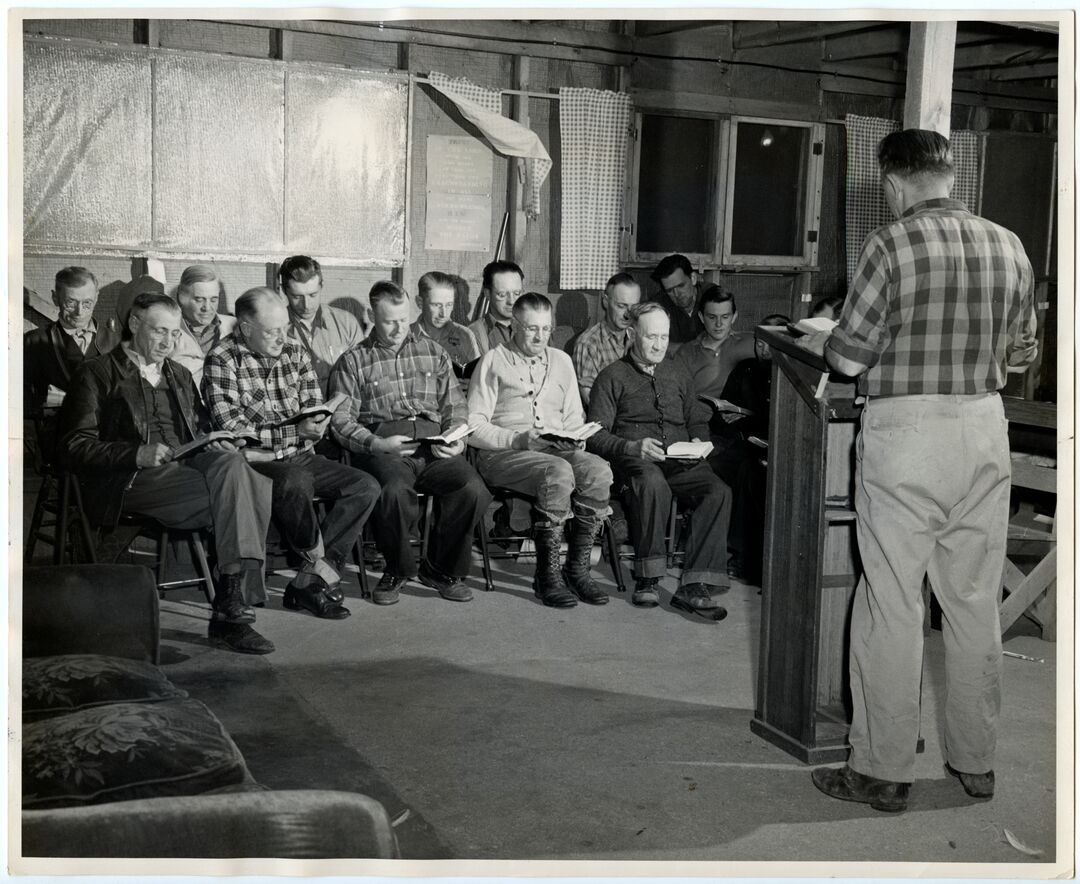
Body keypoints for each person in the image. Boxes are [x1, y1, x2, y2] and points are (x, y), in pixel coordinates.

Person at [806, 129, 1037, 813]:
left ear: (892, 182)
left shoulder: (890, 244)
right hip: (985, 429)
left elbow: (846, 360)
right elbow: (1023, 354)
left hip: (910, 434)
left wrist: (843, 337)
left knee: (893, 602)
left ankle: (879, 769)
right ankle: (976, 762)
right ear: (949, 174)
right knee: (971, 603)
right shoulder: (1010, 243)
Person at [58, 292, 276, 655]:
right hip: (129, 479)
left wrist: (217, 441)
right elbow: (72, 445)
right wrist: (134, 453)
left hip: (183, 469)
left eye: (175, 334)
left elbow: (200, 426)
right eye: (160, 332)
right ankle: (230, 611)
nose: (168, 342)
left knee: (233, 465)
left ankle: (231, 603)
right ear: (133, 324)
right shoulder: (97, 373)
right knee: (252, 491)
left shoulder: (177, 373)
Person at [203, 287, 381, 620]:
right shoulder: (221, 360)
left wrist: (312, 426)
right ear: (244, 328)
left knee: (366, 486)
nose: (282, 337)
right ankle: (314, 578)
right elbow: (236, 433)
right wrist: (293, 435)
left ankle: (311, 576)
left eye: (285, 327)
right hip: (253, 467)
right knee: (295, 480)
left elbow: (311, 413)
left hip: (289, 455)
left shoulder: (295, 352)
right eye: (272, 331)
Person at [330, 281, 492, 606]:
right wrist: (376, 444)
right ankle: (398, 569)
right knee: (393, 492)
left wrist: (457, 439)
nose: (398, 328)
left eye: (403, 319)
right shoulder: (353, 360)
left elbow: (456, 407)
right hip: (385, 445)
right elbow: (341, 421)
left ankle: (440, 569)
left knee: (473, 489)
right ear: (371, 315)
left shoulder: (434, 351)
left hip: (433, 443)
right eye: (389, 321)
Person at [467, 292, 613, 608]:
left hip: (554, 450)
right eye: (532, 328)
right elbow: (474, 427)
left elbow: (574, 415)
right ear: (514, 326)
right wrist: (518, 440)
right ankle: (547, 576)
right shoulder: (493, 360)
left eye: (546, 328)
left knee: (598, 470)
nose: (540, 336)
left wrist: (575, 438)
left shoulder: (561, 361)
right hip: (502, 455)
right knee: (557, 473)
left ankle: (577, 570)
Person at [587, 302, 731, 615]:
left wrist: (699, 442)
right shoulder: (611, 377)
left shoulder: (678, 372)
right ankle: (648, 579)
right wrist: (631, 448)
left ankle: (694, 585)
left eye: (664, 337)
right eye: (651, 337)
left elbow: (696, 418)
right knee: (653, 483)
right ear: (630, 334)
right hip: (635, 463)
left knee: (717, 492)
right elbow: (594, 436)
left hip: (681, 461)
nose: (659, 344)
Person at [673, 286, 761, 581]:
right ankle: (720, 551)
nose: (719, 324)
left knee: (753, 469)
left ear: (735, 316)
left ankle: (739, 554)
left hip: (742, 428)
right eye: (712, 317)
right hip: (702, 429)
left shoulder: (750, 343)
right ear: (701, 317)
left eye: (725, 317)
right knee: (726, 469)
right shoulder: (686, 353)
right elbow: (677, 397)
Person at [25, 266, 120, 415]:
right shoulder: (33, 341)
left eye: (87, 303)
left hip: (103, 435)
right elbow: (19, 399)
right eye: (71, 303)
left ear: (96, 298)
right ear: (55, 298)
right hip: (55, 433)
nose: (79, 312)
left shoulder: (115, 342)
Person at [278, 255, 368, 395]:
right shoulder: (276, 329)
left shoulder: (347, 323)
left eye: (313, 295)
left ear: (321, 286)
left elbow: (364, 376)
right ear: (284, 291)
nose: (307, 305)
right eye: (297, 297)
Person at [571, 271, 642, 406]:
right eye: (621, 306)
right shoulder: (588, 344)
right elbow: (592, 402)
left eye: (634, 307)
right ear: (605, 301)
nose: (628, 314)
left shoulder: (640, 337)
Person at [170, 264, 237, 386]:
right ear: (181, 297)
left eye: (213, 300)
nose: (207, 308)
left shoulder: (234, 326)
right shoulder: (167, 330)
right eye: (199, 299)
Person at [411, 270, 481, 371]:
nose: (443, 314)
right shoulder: (405, 336)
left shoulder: (465, 335)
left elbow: (476, 375)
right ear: (420, 302)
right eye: (436, 305)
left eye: (449, 305)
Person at [468, 260, 523, 357]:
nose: (511, 301)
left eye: (516, 293)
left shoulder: (534, 327)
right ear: (487, 294)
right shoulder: (474, 334)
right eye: (502, 295)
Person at [649, 254, 704, 345]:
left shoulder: (712, 296)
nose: (677, 294)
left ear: (693, 278)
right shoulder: (658, 305)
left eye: (681, 286)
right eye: (670, 290)